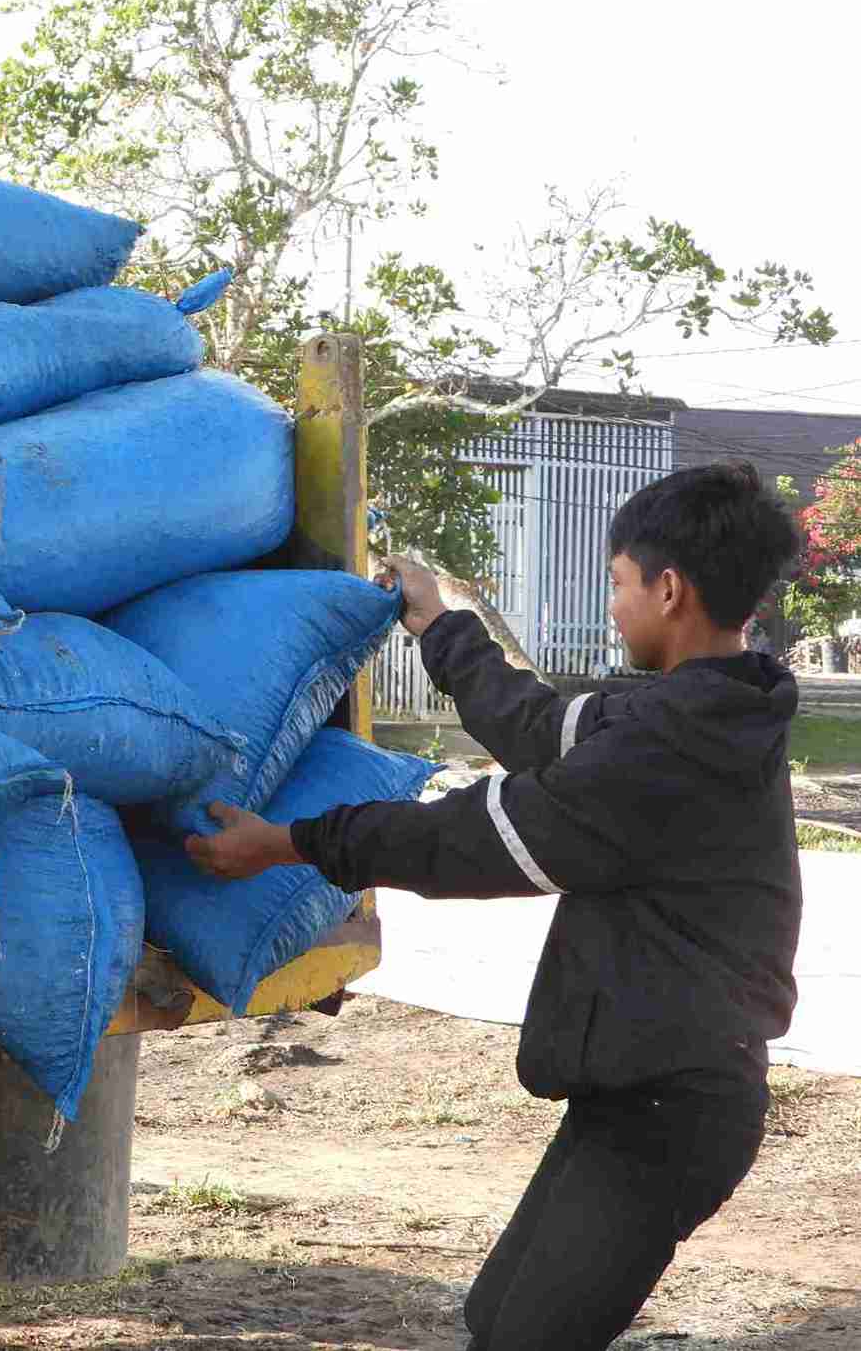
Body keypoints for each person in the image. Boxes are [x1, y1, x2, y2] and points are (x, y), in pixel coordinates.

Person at [184, 461, 804, 1351]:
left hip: (672, 1108)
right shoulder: (709, 708)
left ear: (669, 591)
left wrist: (289, 843)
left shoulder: (672, 746)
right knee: (496, 1322)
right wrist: (440, 626)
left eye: (618, 584)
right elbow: (538, 727)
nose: (613, 606)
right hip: (639, 1094)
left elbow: (474, 838)